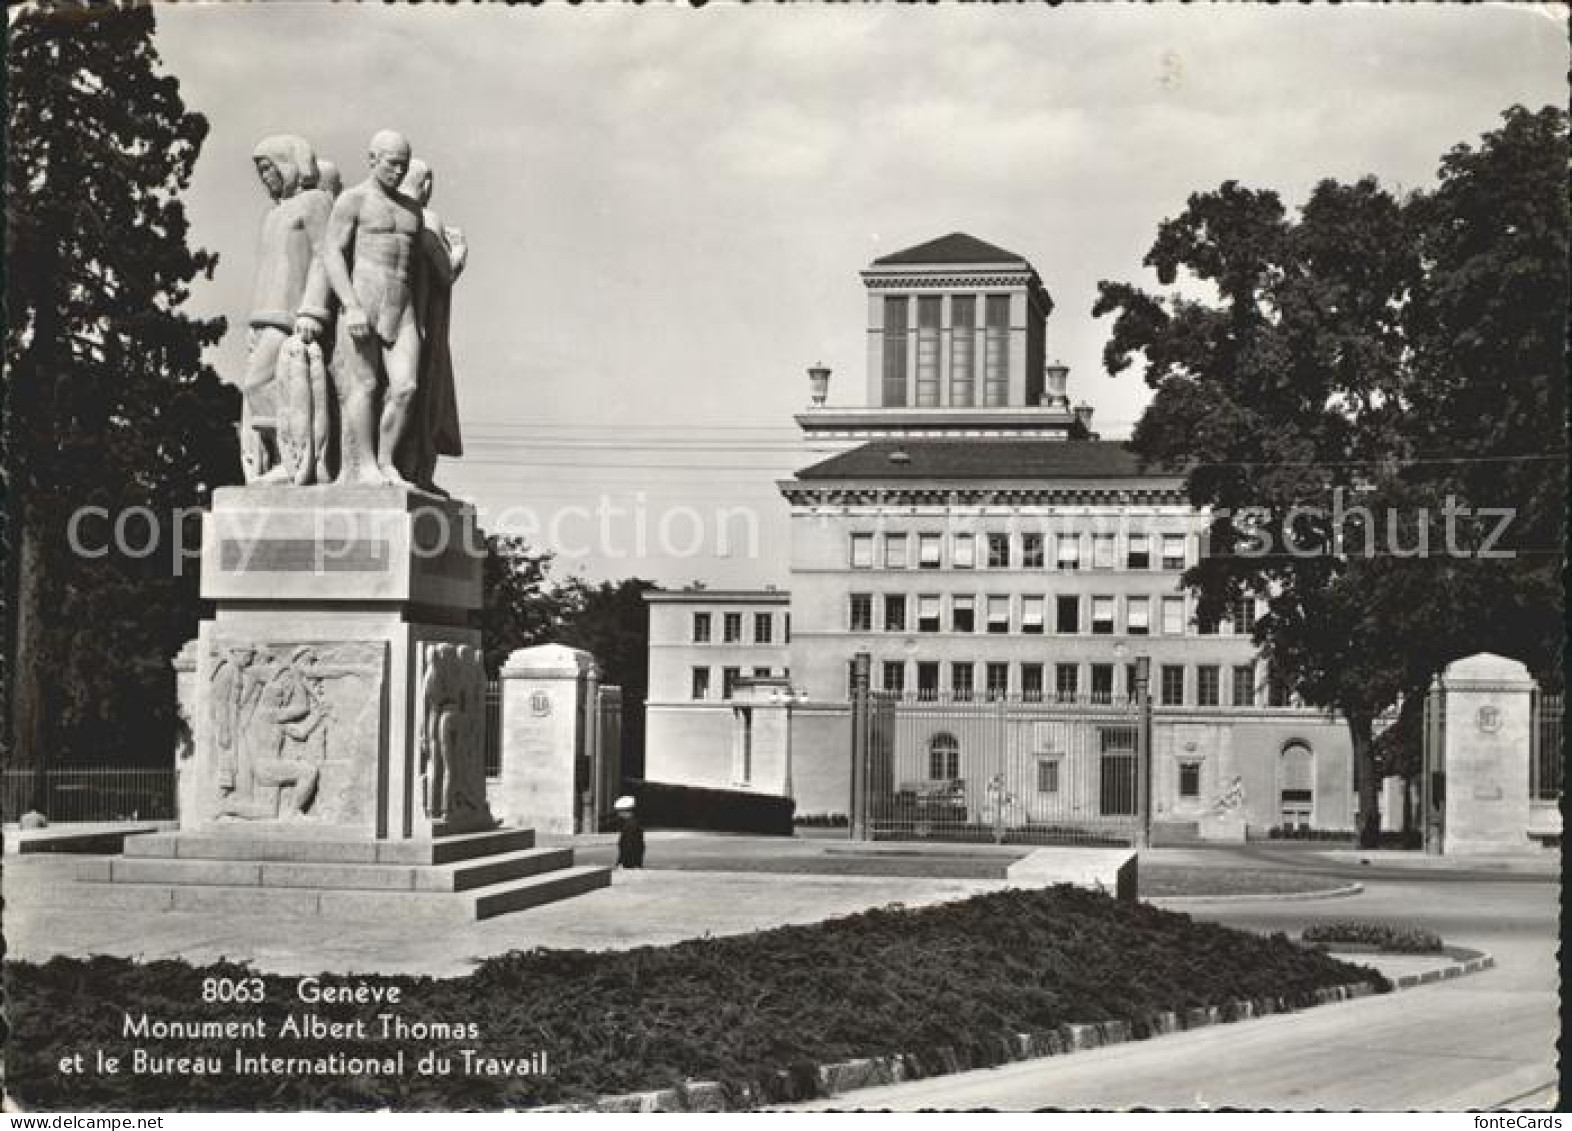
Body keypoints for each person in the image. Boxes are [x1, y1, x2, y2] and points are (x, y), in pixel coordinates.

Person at [320, 129, 424, 486]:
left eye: (404, 166)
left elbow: (419, 270)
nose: (398, 172)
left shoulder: (413, 211)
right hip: (365, 293)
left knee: (405, 387)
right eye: (392, 164)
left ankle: (385, 460)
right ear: (373, 160)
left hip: (402, 303)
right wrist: (350, 306)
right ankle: (365, 464)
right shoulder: (353, 200)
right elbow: (331, 252)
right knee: (363, 384)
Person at [614, 795, 645, 869]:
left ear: (625, 811)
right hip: (633, 863)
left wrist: (621, 862)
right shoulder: (633, 823)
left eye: (619, 811)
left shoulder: (630, 826)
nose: (618, 814)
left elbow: (628, 846)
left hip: (629, 864)